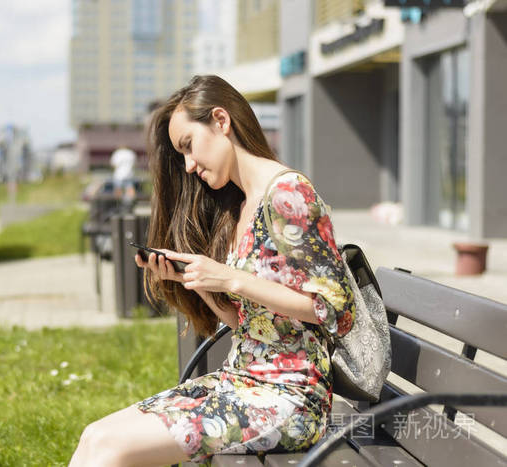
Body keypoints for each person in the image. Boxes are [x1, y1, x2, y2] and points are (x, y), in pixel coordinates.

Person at [69, 75, 355, 467]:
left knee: (114, 453)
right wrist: (197, 282)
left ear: (221, 120)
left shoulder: (288, 193)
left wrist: (229, 277)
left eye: (189, 146)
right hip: (241, 383)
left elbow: (337, 311)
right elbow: (249, 327)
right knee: (95, 437)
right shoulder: (242, 207)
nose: (188, 166)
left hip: (290, 399)